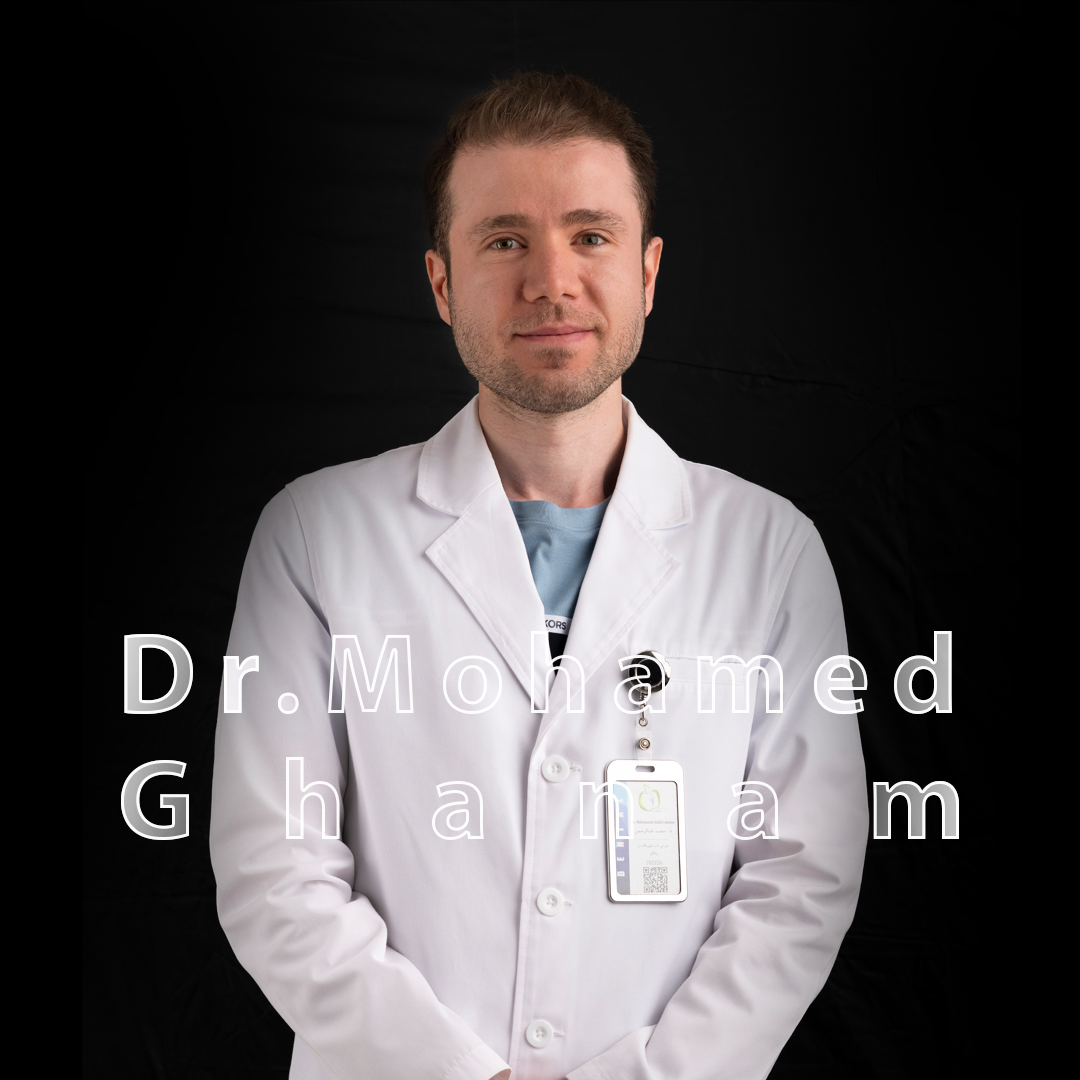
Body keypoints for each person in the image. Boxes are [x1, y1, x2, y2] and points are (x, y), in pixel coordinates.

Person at [210, 72, 867, 1080]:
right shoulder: (315, 534)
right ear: (442, 283)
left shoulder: (769, 551)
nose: (551, 283)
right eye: (506, 240)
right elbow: (274, 869)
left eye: (590, 235)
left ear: (648, 272)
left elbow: (801, 876)